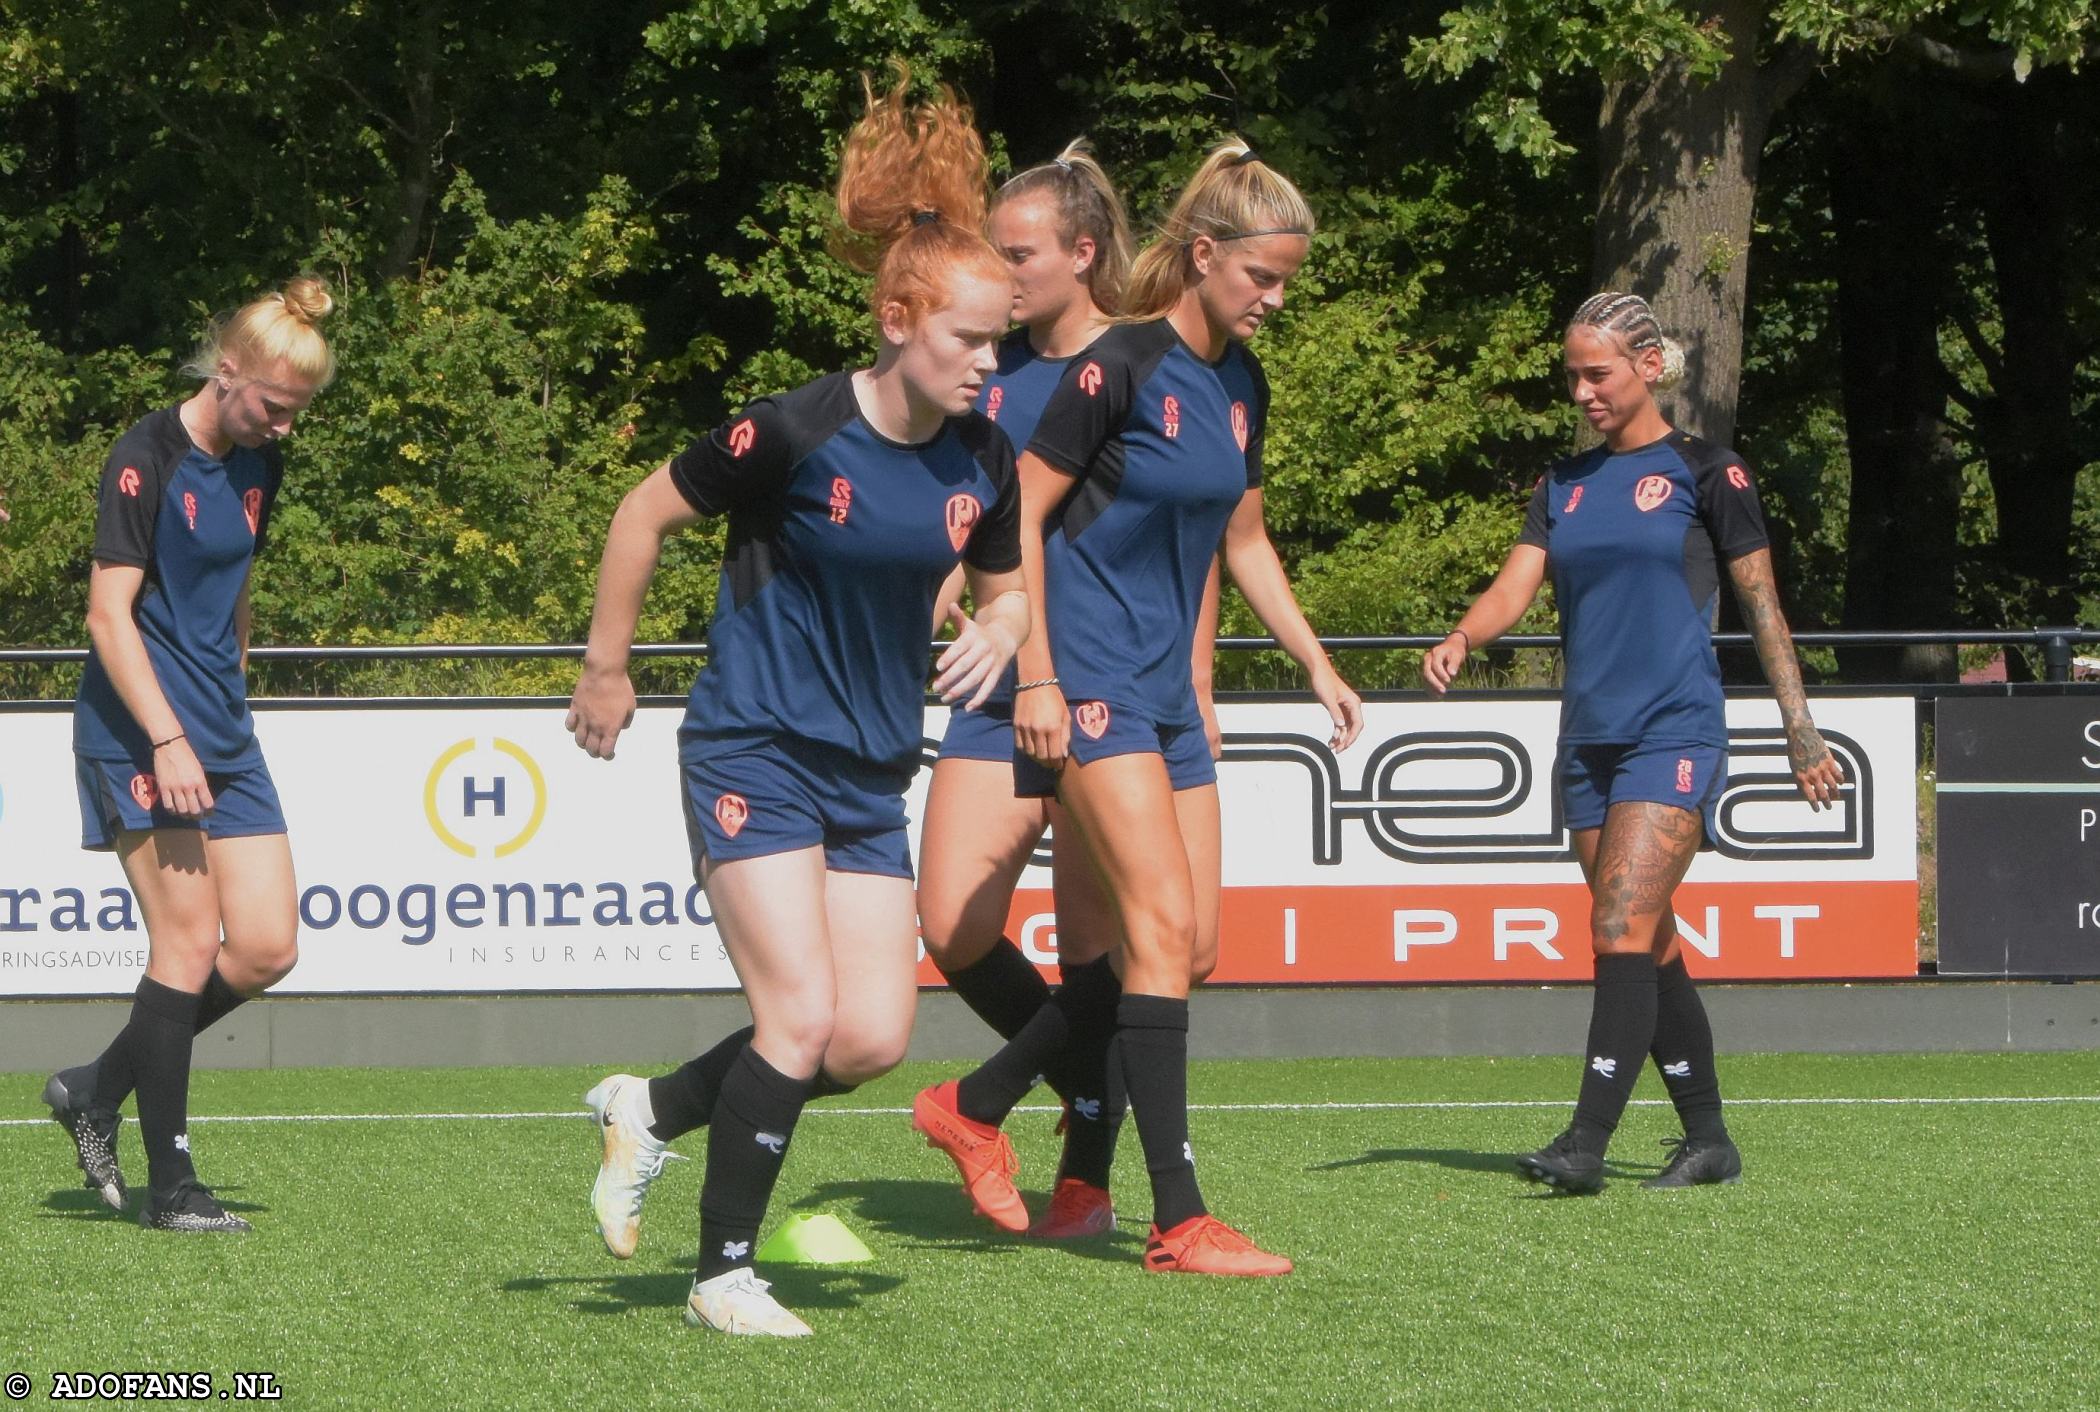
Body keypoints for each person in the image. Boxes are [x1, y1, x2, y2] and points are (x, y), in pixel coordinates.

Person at [568, 67, 1028, 1337]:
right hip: (753, 743)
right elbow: (642, 513)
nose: (991, 363)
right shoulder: (793, 430)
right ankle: (722, 1271)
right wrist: (610, 665)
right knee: (800, 1015)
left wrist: (1000, 626)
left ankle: (649, 1112)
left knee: (869, 1037)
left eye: (1002, 341)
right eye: (969, 341)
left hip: (872, 767)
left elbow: (1009, 589)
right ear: (895, 318)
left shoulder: (983, 456)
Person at [913, 140, 1363, 1276]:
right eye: (1260, 277)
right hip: (1095, 684)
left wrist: (1312, 658)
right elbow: (1011, 520)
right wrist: (1041, 674)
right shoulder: (1117, 367)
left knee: (1195, 944)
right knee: (1152, 933)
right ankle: (1178, 1217)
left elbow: (1244, 535)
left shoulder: (1241, 384)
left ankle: (978, 1100)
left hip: (1167, 694)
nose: (1273, 299)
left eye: (1287, 281)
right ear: (1203, 254)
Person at [1422, 291, 1846, 1194]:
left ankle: (1583, 1141)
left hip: (1674, 731)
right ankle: (1710, 1140)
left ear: (1649, 367)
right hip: (1589, 743)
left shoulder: (1709, 472)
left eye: (1597, 373)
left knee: (1616, 923)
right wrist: (1464, 634)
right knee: (1646, 941)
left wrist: (1799, 730)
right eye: (1572, 375)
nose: (1581, 391)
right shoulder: (1562, 485)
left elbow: (1763, 607)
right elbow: (1513, 587)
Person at [918, 138, 1186, 1241]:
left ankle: (1082, 1177)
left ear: (1083, 253)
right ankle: (1001, 1106)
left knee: (1102, 948)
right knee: (952, 924)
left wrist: (1194, 679)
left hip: (1106, 687)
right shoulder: (986, 368)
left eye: (1017, 250)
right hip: (1003, 682)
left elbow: (1198, 529)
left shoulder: (1145, 361)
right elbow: (954, 508)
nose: (1001, 267)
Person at [47, 277, 336, 1233]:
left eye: (296, 415)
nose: (283, 430)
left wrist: (231, 689)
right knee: (185, 944)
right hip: (139, 732)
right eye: (274, 408)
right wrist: (168, 735)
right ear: (229, 372)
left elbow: (236, 580)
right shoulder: (146, 456)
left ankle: (97, 1085)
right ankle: (172, 1188)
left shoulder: (261, 463)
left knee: (264, 948)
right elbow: (106, 616)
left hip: (223, 735)